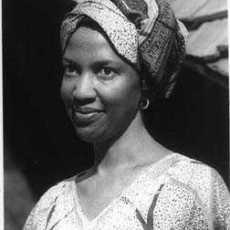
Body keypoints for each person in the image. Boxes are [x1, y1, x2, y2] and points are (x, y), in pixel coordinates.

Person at [23, 0, 230, 229]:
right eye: (71, 69)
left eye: (105, 71)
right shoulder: (49, 208)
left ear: (144, 83)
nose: (81, 91)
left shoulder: (194, 187)